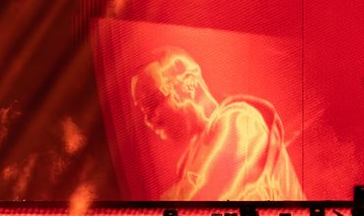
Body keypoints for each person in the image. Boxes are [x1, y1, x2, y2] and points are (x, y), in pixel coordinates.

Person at [131, 46, 306, 201]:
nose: (148, 119)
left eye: (153, 102)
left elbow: (207, 202)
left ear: (189, 84)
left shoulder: (240, 120)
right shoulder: (187, 164)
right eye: (144, 111)